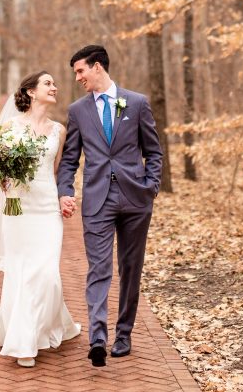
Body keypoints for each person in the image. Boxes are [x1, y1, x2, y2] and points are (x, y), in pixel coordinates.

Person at [0, 71, 81, 368]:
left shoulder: (59, 130)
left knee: (48, 274)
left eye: (54, 84)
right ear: (30, 92)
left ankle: (44, 325)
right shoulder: (9, 128)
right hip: (18, 208)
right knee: (22, 272)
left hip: (46, 210)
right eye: (48, 83)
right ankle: (24, 342)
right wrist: (6, 183)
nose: (54, 87)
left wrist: (62, 197)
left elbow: (57, 172)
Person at [57, 45, 163, 367]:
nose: (77, 78)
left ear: (98, 67)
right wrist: (65, 190)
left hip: (135, 199)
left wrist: (151, 187)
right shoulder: (77, 111)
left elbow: (154, 152)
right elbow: (70, 160)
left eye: (80, 71)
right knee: (99, 269)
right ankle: (98, 338)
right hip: (97, 199)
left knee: (130, 269)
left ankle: (125, 334)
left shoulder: (137, 103)